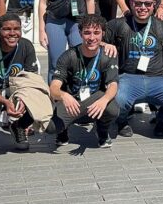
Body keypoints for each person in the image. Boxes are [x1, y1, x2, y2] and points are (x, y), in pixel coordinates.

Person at [105, 0, 163, 138]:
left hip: (158, 78)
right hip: (128, 77)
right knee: (116, 100)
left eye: (147, 4)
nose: (143, 7)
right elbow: (95, 41)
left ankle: (161, 121)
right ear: (131, 4)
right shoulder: (118, 25)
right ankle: (122, 121)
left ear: (154, 5)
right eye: (138, 3)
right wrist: (105, 44)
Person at [51, 14, 120, 148]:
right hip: (72, 102)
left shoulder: (108, 54)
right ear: (80, 34)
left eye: (96, 33)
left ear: (103, 34)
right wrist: (64, 95)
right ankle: (63, 131)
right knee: (51, 127)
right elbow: (53, 87)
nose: (92, 37)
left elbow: (113, 84)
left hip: (95, 101)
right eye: (87, 33)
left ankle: (102, 132)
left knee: (112, 108)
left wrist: (104, 100)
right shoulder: (68, 56)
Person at [0, 13, 40, 151]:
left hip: (16, 87)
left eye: (16, 29)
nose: (12, 33)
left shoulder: (26, 45)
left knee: (40, 102)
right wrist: (5, 102)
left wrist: (24, 99)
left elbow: (31, 80)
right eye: (7, 29)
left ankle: (19, 126)